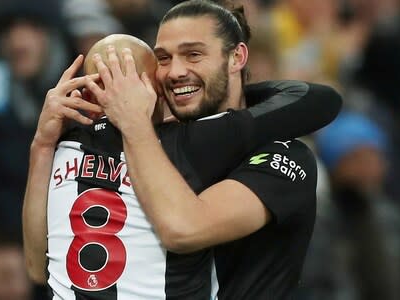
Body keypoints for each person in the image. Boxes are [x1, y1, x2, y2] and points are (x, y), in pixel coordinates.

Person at [85, 1, 341, 299]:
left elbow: (183, 229)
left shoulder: (285, 154)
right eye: (164, 58)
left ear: (237, 57)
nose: (175, 72)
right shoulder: (152, 145)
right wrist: (43, 145)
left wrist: (136, 124)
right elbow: (43, 265)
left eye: (193, 54)